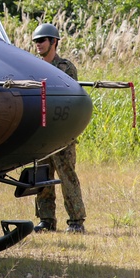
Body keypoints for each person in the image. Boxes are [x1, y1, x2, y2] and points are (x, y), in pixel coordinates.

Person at [31, 22, 86, 234]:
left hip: (62, 132)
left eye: (42, 40)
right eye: (36, 41)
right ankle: (46, 219)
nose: (38, 44)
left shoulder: (66, 68)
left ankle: (76, 221)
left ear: (54, 42)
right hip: (41, 133)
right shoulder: (31, 66)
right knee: (43, 177)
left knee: (67, 176)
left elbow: (72, 100)